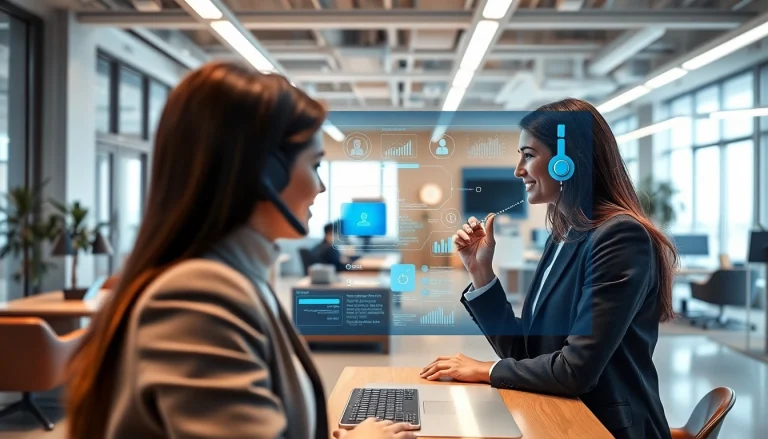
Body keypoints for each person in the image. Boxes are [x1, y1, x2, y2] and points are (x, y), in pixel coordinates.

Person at [65, 62, 415, 439]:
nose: (321, 187)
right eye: (315, 165)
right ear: (267, 173)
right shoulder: (199, 296)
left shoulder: (239, 276)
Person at [420, 98, 676, 439]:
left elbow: (575, 370)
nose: (518, 170)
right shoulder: (563, 236)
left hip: (606, 428)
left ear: (566, 163)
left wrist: (486, 370)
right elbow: (527, 353)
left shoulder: (620, 236)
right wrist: (481, 273)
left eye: (528, 155)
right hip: (560, 416)